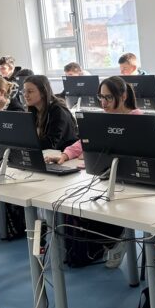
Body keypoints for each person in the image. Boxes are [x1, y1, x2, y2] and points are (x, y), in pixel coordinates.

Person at [46, 76, 141, 269]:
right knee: (79, 203)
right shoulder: (103, 117)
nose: (103, 103)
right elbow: (83, 141)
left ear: (123, 96)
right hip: (105, 176)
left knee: (95, 205)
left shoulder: (137, 118)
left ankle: (115, 239)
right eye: (101, 97)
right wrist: (65, 155)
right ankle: (112, 241)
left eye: (108, 97)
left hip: (131, 181)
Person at [22, 75, 78, 151]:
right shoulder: (34, 111)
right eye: (24, 91)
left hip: (64, 153)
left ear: (43, 92)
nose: (25, 95)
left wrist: (25, 143)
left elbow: (51, 143)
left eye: (30, 91)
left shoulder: (58, 111)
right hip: (48, 153)